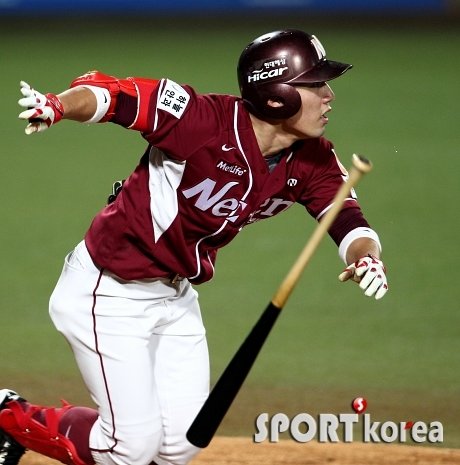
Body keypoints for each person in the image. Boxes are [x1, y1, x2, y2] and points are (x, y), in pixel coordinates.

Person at [0, 29, 388, 465]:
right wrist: (58, 106)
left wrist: (366, 258)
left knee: (181, 445)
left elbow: (348, 221)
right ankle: (8, 416)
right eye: (315, 84)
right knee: (129, 450)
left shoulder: (312, 159)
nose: (329, 95)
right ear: (277, 95)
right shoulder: (200, 121)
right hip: (107, 291)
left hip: (176, 296)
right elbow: (112, 96)